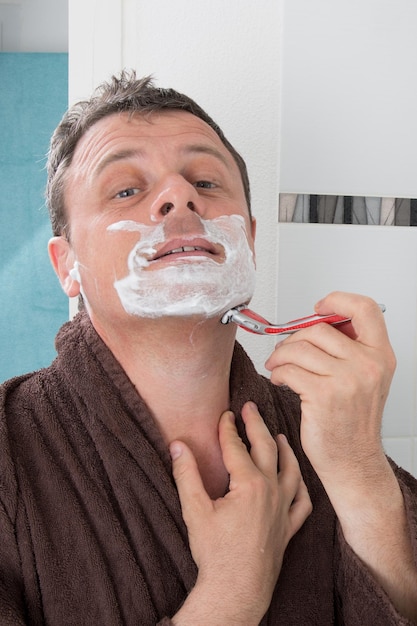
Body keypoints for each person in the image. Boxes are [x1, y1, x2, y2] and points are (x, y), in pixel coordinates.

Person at [0, 71, 416, 626]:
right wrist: (232, 590)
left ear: (247, 237)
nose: (180, 194)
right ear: (66, 265)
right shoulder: (9, 450)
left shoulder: (331, 430)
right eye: (127, 189)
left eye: (207, 181)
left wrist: (361, 474)